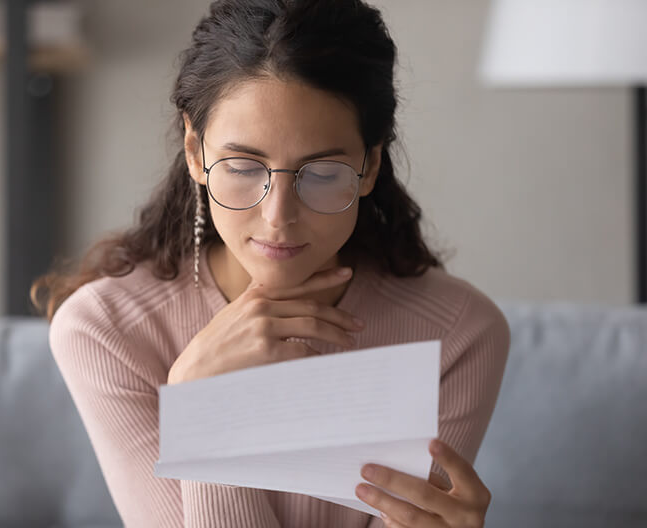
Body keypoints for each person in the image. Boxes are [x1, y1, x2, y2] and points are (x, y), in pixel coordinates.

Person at [31, 0, 511, 526]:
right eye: (242, 166)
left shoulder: (458, 335)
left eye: (323, 173)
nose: (278, 216)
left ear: (369, 164)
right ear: (195, 152)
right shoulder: (106, 332)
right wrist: (203, 407)